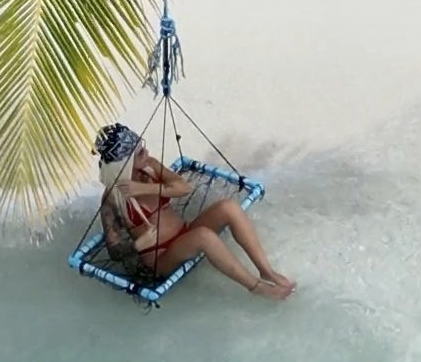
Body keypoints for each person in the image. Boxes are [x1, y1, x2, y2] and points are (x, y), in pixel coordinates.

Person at [94, 123, 294, 299]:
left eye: (142, 146)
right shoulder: (112, 198)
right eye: (139, 153)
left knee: (229, 207)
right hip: (160, 257)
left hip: (185, 233)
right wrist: (138, 245)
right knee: (203, 237)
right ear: (124, 164)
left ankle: (266, 271)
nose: (146, 152)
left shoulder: (150, 166)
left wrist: (145, 188)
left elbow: (184, 188)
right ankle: (255, 287)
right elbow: (114, 252)